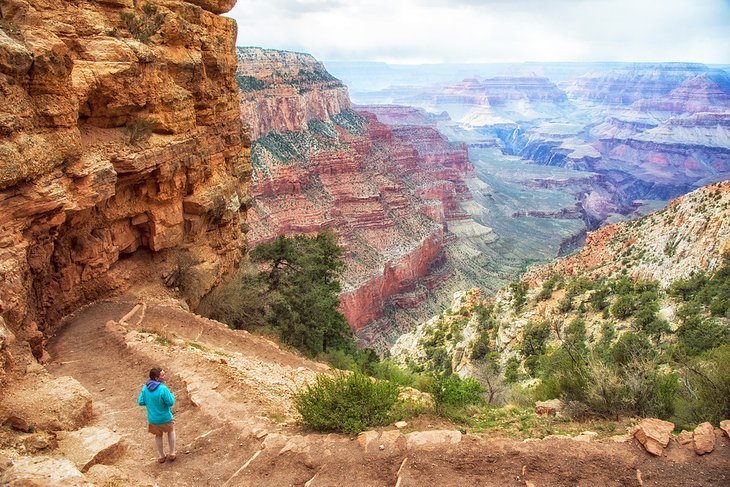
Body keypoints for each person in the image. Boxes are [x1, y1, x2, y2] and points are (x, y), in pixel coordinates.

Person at [138, 367, 177, 463]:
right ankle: (172, 453)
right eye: (162, 375)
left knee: (158, 436)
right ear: (156, 377)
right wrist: (171, 395)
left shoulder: (145, 388)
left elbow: (141, 402)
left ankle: (162, 455)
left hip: (153, 419)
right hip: (165, 418)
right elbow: (170, 402)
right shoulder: (163, 388)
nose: (164, 377)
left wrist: (150, 403)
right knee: (171, 431)